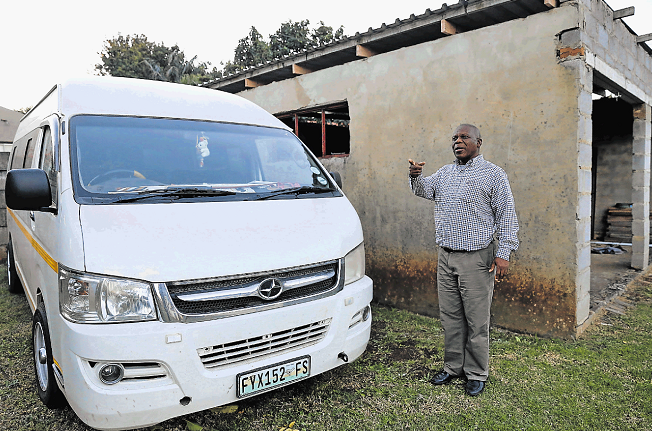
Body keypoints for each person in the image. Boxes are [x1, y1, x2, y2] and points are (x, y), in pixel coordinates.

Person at [408, 124, 519, 396]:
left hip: (477, 258)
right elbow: (423, 190)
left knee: (477, 320)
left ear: (478, 142)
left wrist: (504, 252)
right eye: (455, 138)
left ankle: (477, 372)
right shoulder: (445, 173)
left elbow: (507, 214)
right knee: (451, 317)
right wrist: (415, 175)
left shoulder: (493, 174)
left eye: (464, 137)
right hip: (446, 256)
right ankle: (452, 367)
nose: (458, 141)